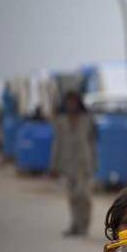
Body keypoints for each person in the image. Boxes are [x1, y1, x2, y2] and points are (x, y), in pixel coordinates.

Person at [49, 91, 97, 236]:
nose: (71, 105)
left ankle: (84, 225)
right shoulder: (61, 121)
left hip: (84, 164)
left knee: (83, 195)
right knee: (72, 197)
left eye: (74, 102)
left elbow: (92, 143)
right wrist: (54, 165)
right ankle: (75, 225)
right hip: (67, 164)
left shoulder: (87, 120)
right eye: (69, 102)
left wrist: (95, 163)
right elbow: (57, 144)